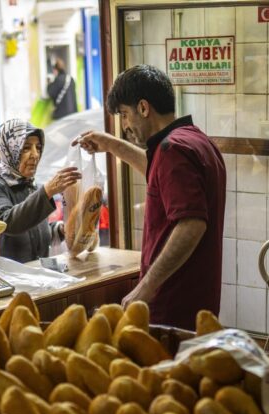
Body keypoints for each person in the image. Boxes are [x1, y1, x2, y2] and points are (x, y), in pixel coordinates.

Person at [75, 64, 226, 329]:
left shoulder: (173, 150)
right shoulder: (196, 141)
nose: (124, 126)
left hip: (172, 304)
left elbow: (192, 224)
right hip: (198, 301)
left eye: (124, 114)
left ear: (143, 108)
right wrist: (110, 144)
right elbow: (157, 173)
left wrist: (146, 287)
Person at [0, 119, 80, 263]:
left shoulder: (30, 184)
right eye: (26, 148)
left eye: (38, 147)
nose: (35, 154)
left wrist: (59, 230)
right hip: (7, 278)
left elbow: (32, 231)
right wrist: (47, 191)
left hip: (36, 277)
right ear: (8, 149)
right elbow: (8, 223)